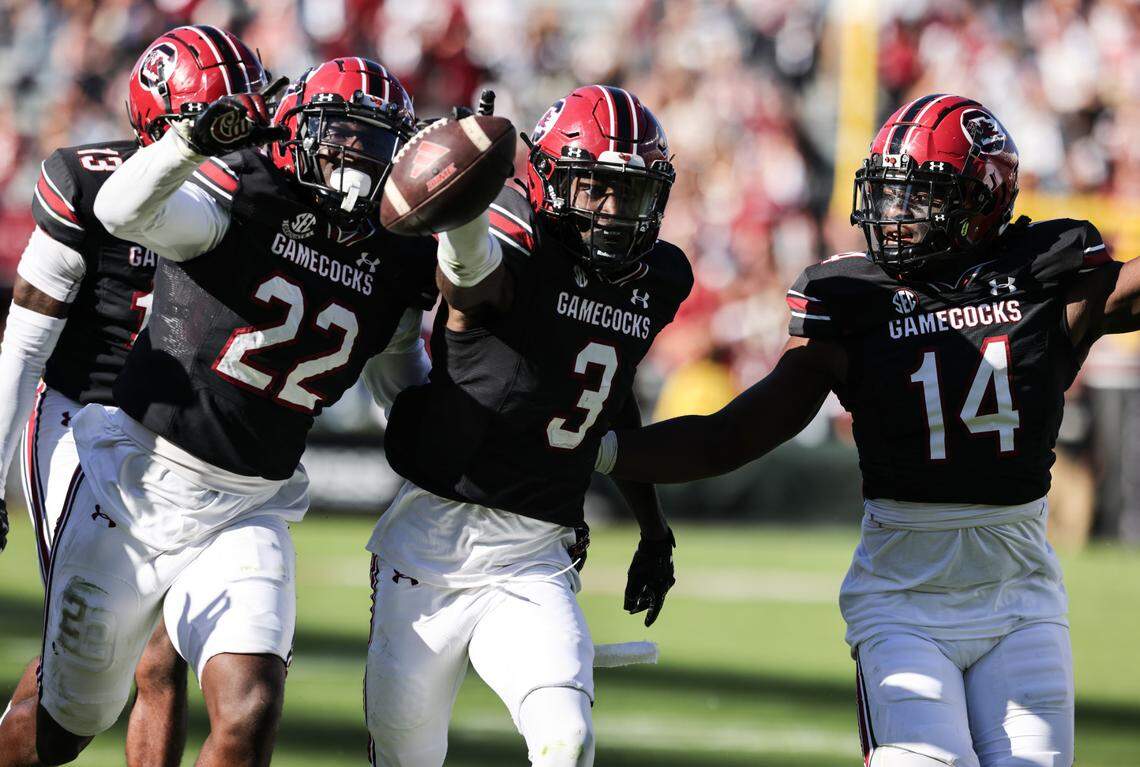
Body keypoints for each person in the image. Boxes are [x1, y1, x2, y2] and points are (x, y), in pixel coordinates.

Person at [594, 94, 1133, 767]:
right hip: (903, 601)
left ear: (984, 200)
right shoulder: (855, 301)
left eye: (923, 196)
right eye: (890, 193)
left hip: (1021, 597)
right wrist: (595, 446)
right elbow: (725, 438)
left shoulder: (1043, 275)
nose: (896, 215)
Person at [0, 57, 438, 767]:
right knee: (66, 722)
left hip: (250, 503)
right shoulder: (243, 193)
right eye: (343, 137)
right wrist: (189, 143)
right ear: (298, 132)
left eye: (378, 142)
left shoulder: (397, 256)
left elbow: (402, 381)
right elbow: (119, 209)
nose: (359, 160)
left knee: (250, 705)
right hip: (133, 483)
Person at [365, 85, 691, 767]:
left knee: (565, 739)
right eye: (596, 187)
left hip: (535, 550)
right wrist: (460, 210)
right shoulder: (510, 235)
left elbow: (610, 394)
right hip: (430, 541)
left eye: (628, 192)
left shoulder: (655, 278)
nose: (612, 211)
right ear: (548, 179)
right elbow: (471, 279)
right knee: (405, 757)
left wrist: (653, 528)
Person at [0, 25, 270, 767]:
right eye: (216, 118)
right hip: (77, 417)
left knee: (164, 653)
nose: (237, 136)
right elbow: (24, 344)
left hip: (171, 436)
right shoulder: (88, 180)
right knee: (89, 695)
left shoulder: (255, 205)